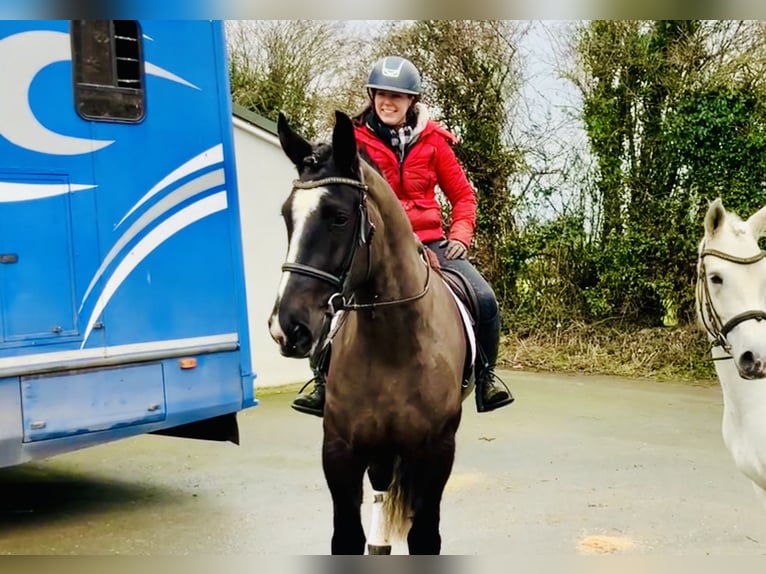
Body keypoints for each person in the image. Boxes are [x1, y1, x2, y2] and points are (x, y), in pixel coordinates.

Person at [292, 55, 514, 417]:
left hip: (430, 242)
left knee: (485, 298)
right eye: (380, 93)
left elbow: (463, 196)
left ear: (412, 101)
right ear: (371, 95)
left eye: (396, 95)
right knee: (332, 300)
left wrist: (460, 233)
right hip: (375, 244)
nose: (387, 102)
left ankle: (486, 378)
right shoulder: (355, 140)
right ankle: (321, 381)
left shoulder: (434, 141)